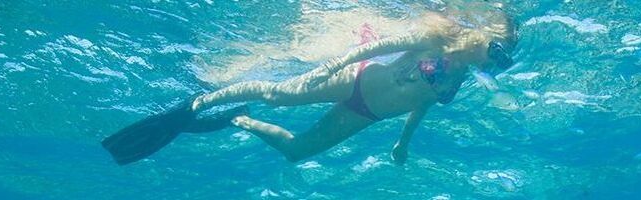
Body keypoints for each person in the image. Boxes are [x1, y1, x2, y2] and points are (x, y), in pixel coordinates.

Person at [101, 5, 517, 166]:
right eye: (497, 51)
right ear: (482, 38)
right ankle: (199, 102)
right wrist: (326, 67)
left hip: (366, 114)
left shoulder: (459, 78)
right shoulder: (437, 41)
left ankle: (237, 120)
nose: (497, 62)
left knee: (297, 151)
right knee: (278, 95)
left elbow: (422, 103)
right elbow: (383, 44)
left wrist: (404, 142)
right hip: (354, 78)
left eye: (504, 59)